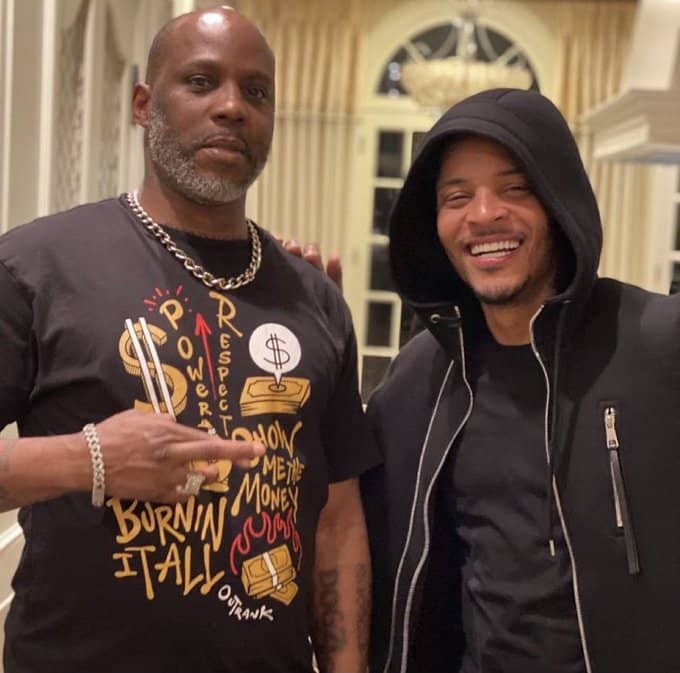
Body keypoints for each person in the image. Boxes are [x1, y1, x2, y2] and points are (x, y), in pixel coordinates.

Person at [0, 7, 377, 673]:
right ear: (144, 106)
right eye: (201, 82)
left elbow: (336, 519)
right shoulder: (37, 266)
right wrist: (90, 459)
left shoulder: (316, 298)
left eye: (256, 91)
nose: (232, 107)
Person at [362, 88, 680, 673]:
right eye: (457, 197)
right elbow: (340, 511)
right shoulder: (419, 378)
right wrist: (309, 332)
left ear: (559, 204)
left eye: (515, 189)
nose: (484, 214)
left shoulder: (656, 342)